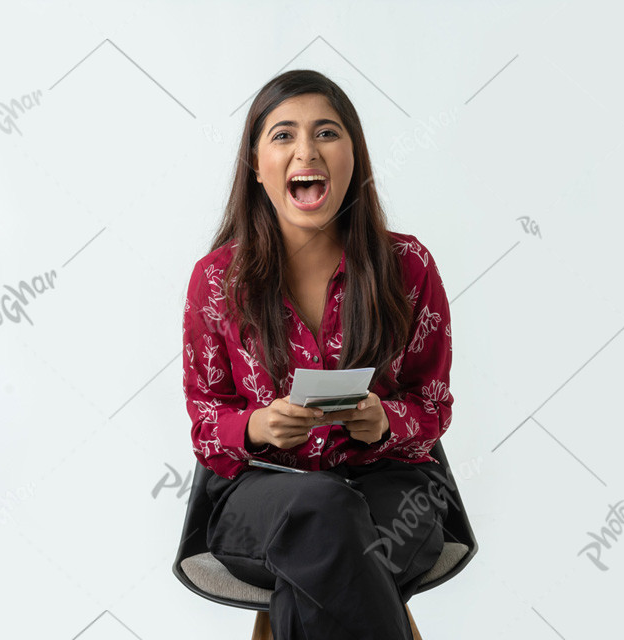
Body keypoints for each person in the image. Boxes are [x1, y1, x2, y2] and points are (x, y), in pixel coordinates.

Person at [181, 69, 456, 640]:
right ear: (256, 166)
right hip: (260, 491)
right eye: (282, 135)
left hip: (393, 485)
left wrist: (384, 420)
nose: (306, 150)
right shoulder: (216, 281)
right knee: (325, 516)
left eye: (327, 133)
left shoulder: (409, 267)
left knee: (320, 565)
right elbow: (207, 422)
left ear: (355, 155)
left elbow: (432, 405)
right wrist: (258, 424)